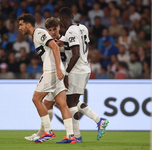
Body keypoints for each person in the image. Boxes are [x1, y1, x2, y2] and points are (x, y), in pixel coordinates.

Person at [17, 14, 76, 143]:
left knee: (36, 99)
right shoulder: (36, 36)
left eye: (21, 25)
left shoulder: (38, 32)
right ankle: (71, 136)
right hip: (55, 70)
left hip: (52, 71)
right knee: (62, 104)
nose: (19, 28)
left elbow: (55, 47)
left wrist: (58, 69)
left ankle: (48, 132)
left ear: (28, 25)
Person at [58, 7, 109, 141]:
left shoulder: (70, 31)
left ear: (62, 19)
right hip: (85, 68)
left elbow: (76, 54)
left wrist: (67, 73)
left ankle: (78, 135)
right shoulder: (83, 28)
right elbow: (80, 46)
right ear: (73, 15)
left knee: (70, 103)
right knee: (74, 101)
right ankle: (94, 124)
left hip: (77, 70)